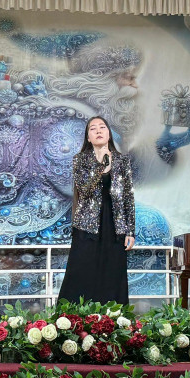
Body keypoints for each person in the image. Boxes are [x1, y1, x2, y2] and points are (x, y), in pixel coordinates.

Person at [58, 116, 135, 305]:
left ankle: (112, 317)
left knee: (112, 274)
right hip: (87, 225)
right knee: (81, 273)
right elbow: (85, 190)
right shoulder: (80, 160)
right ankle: (74, 316)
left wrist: (130, 231)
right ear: (88, 137)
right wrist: (100, 165)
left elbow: (128, 196)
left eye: (102, 127)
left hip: (115, 225)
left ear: (109, 134)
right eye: (93, 129)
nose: (98, 130)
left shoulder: (122, 160)